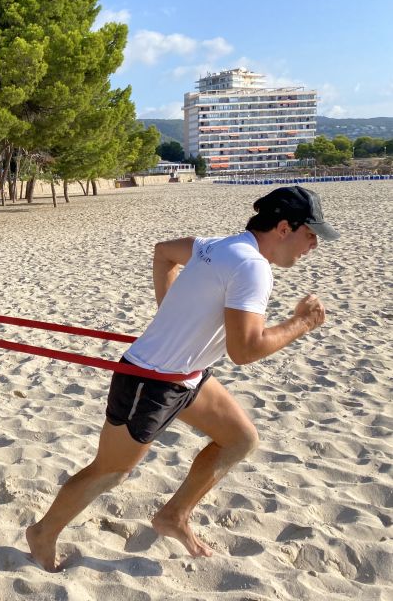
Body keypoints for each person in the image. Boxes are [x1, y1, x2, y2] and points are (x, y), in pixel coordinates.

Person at [26, 186, 339, 570]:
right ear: (284, 228)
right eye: (311, 235)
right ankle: (43, 532)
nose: (314, 245)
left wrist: (170, 312)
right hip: (150, 380)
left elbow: (164, 252)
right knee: (110, 471)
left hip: (187, 376)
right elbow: (245, 351)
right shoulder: (252, 267)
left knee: (239, 440)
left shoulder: (219, 246)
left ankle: (174, 516)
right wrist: (302, 323)